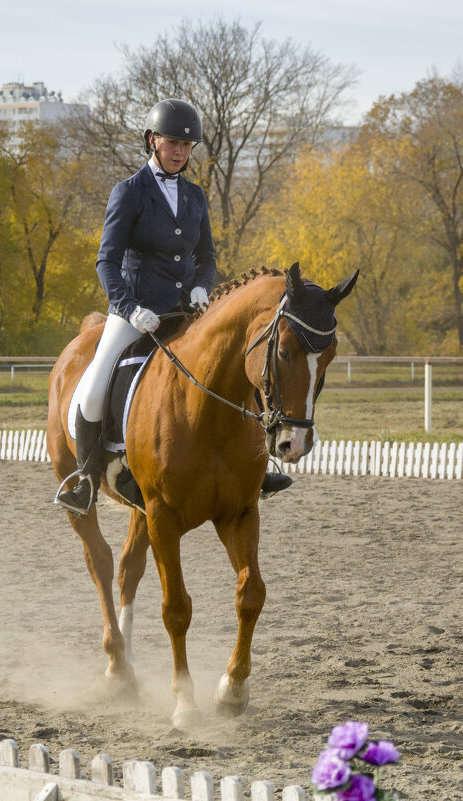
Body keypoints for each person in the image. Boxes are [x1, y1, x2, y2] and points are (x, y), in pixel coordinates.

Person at [56, 98, 291, 516]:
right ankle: (86, 478)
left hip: (188, 312)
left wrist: (203, 288)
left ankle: (257, 465)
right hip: (136, 312)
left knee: (239, 365)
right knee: (92, 390)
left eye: (187, 145)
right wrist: (127, 308)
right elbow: (106, 261)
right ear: (152, 141)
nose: (180, 151)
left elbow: (207, 258)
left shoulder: (195, 195)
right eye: (172, 143)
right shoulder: (129, 192)